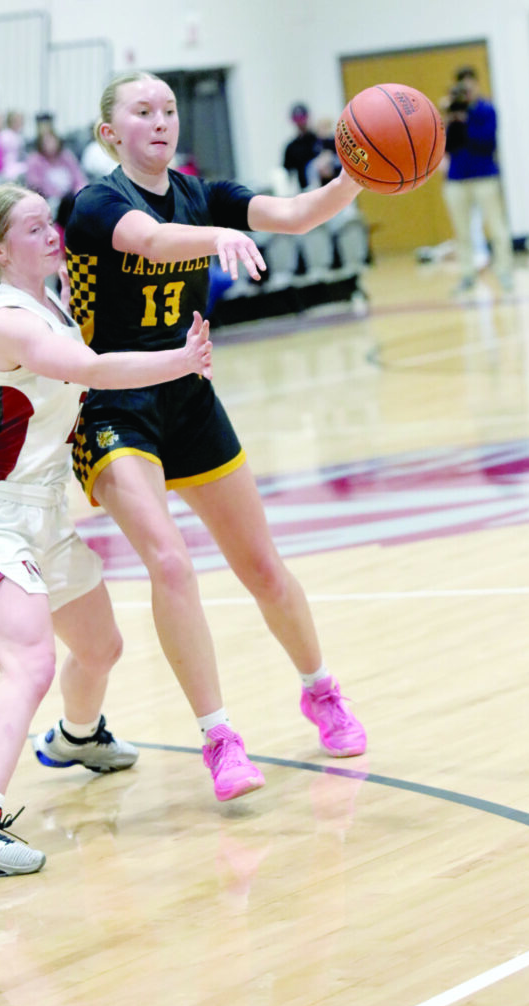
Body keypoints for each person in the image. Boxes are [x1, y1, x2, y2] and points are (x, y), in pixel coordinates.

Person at [62, 71, 367, 804]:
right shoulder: (97, 203)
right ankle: (219, 737)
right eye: (142, 111)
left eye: (168, 109)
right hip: (112, 406)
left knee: (262, 566)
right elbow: (150, 241)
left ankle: (320, 690)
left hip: (189, 400)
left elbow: (296, 214)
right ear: (110, 134)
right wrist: (220, 235)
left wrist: (360, 175)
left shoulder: (202, 195)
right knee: (170, 564)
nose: (160, 120)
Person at [0, 183, 213, 876]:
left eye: (51, 221)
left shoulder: (50, 303)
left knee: (101, 648)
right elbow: (91, 370)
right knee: (30, 665)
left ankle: (77, 737)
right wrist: (179, 360)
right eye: (34, 227)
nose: (52, 233)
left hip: (44, 512)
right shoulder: (8, 321)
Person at [442, 66, 514, 293]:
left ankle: (504, 270)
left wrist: (466, 121)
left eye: (469, 84)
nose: (467, 89)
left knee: (496, 226)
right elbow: (447, 146)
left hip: (484, 175)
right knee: (461, 230)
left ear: (476, 84)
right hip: (457, 177)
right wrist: (449, 119)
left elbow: (487, 141)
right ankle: (467, 274)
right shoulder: (453, 112)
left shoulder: (486, 109)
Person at [25, 127, 88, 210]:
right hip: (49, 201)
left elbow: (79, 178)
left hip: (72, 197)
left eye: (52, 141)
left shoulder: (66, 156)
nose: (50, 145)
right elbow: (36, 185)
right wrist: (59, 196)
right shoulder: (34, 160)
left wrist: (79, 192)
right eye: (46, 142)